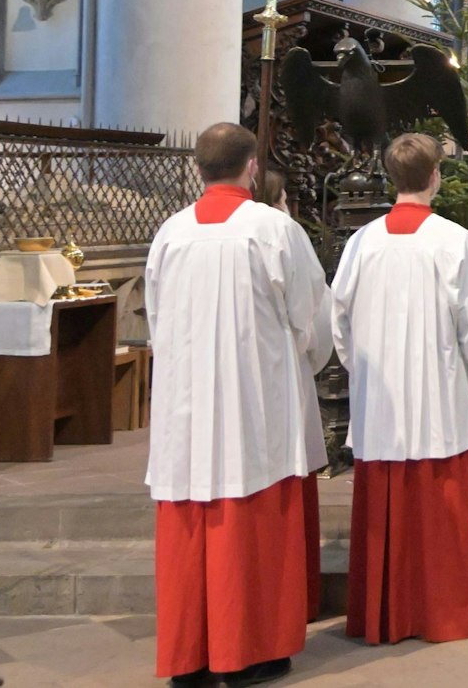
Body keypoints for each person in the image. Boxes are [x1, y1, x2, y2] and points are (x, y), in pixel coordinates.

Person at [145, 123, 332, 688]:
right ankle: (250, 651)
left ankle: (190, 654)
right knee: (253, 521)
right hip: (255, 401)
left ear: (199, 168)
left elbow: (157, 319)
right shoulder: (275, 229)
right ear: (252, 166)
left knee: (188, 522)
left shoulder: (170, 234)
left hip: (186, 407)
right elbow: (311, 318)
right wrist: (302, 363)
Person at [330, 133, 468, 647]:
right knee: (440, 504)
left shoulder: (362, 241)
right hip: (435, 390)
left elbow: (339, 317)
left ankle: (386, 613)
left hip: (379, 394)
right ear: (436, 176)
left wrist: (361, 370)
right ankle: (442, 612)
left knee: (384, 502)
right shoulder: (454, 240)